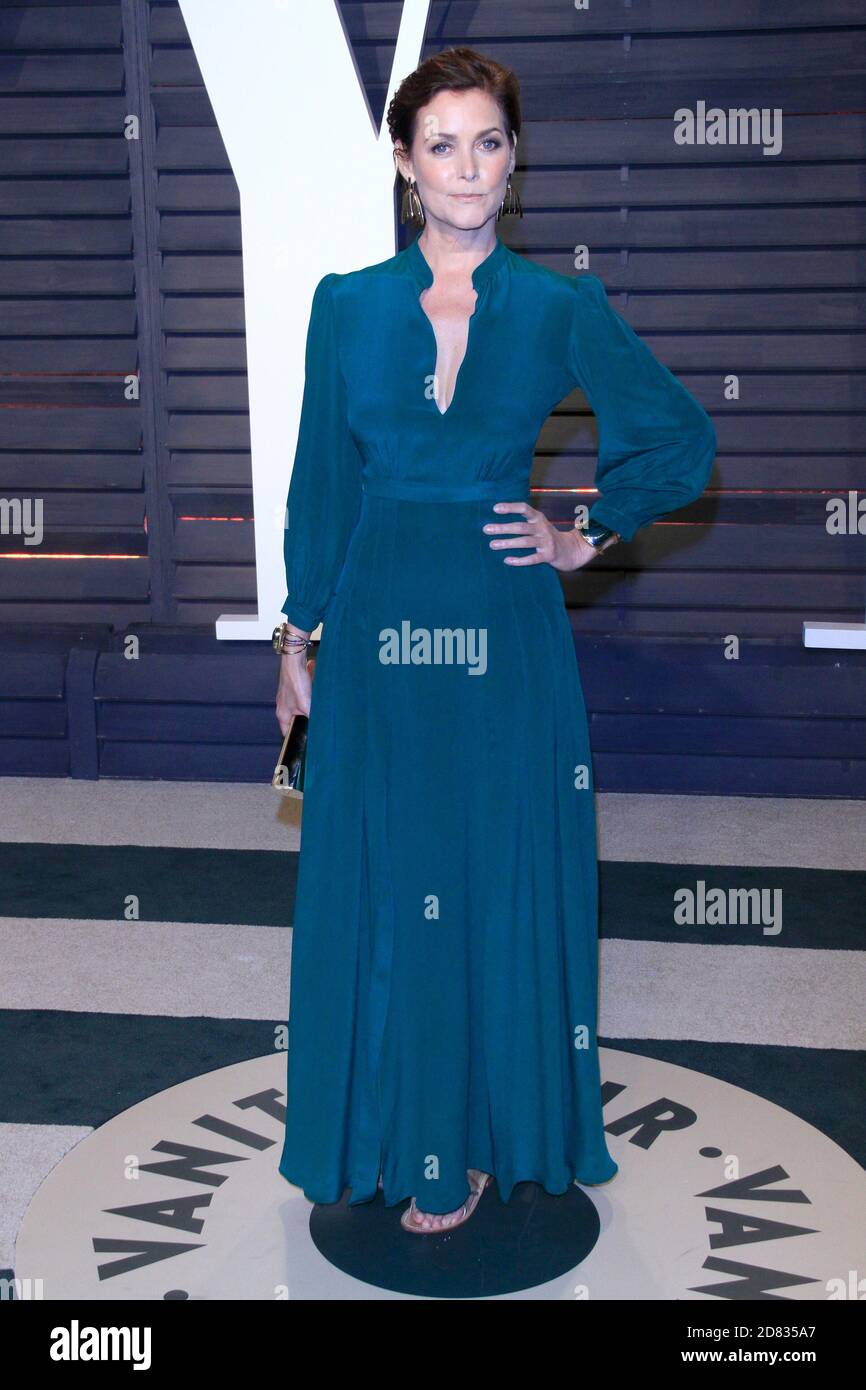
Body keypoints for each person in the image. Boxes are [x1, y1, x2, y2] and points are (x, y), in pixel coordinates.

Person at [275, 46, 716, 1236]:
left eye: (487, 142)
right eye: (440, 144)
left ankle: (470, 1141)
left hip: (501, 629)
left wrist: (587, 533)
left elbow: (676, 439)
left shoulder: (558, 308)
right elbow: (322, 483)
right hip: (374, 628)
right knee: (389, 874)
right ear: (406, 166)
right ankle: (386, 1125)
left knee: (488, 873)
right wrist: (295, 634)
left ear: (511, 161)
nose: (465, 166)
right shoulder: (344, 306)